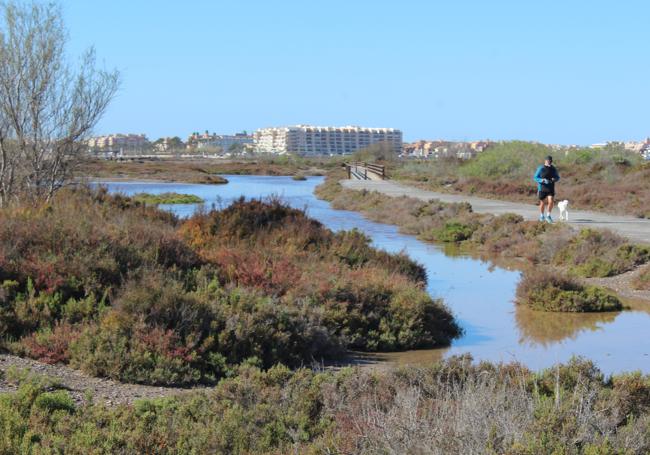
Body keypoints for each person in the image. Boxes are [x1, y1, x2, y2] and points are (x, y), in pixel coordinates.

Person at [533, 155, 560, 223]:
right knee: (542, 203)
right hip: (542, 188)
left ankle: (548, 216)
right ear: (545, 161)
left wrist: (555, 179)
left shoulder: (553, 168)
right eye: (548, 161)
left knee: (551, 202)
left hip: (551, 187)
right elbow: (535, 177)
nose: (549, 162)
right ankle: (542, 216)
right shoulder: (541, 168)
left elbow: (558, 177)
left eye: (550, 161)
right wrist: (542, 180)